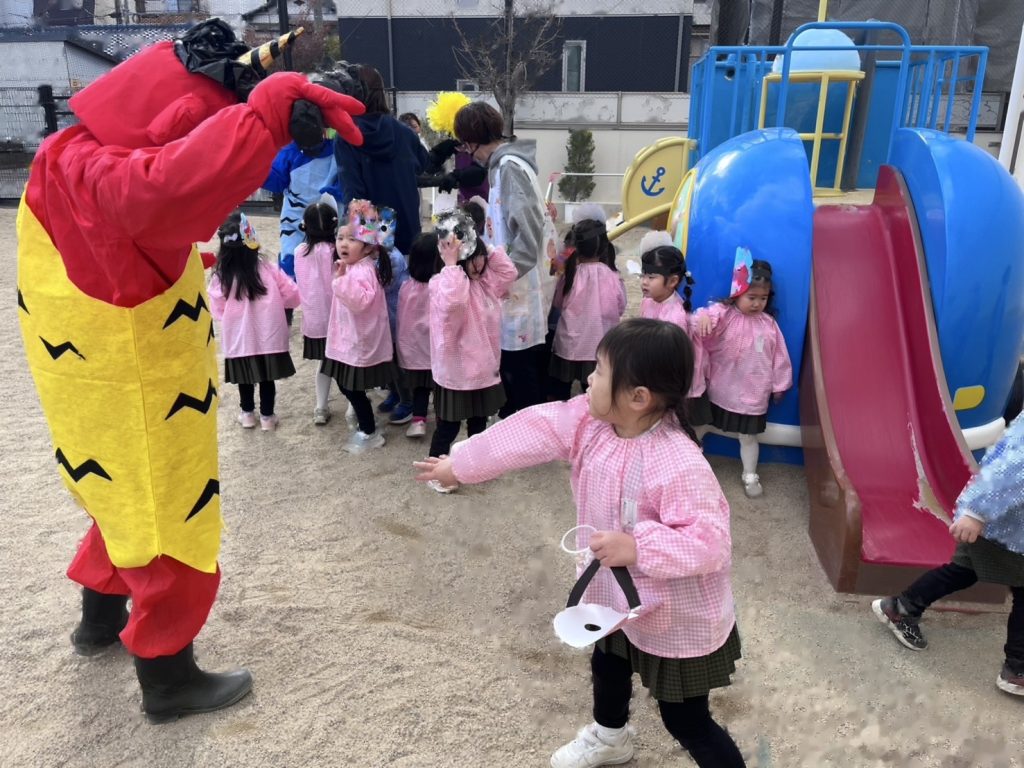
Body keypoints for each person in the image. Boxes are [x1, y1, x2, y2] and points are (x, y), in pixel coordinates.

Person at [15, 17, 364, 722]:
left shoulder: (64, 153)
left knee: (117, 491)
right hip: (135, 374)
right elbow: (164, 186)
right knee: (168, 510)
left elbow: (162, 186)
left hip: (90, 375)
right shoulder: (99, 174)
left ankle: (99, 620)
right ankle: (168, 674)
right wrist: (261, 120)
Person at [414, 318, 745, 767]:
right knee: (607, 665)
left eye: (600, 371)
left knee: (685, 719)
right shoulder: (589, 423)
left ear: (638, 397)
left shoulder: (678, 463)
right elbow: (531, 430)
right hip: (613, 593)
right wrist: (461, 465)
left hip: (673, 611)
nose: (589, 379)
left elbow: (710, 542)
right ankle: (610, 739)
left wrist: (639, 547)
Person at [872, 412, 1024, 697]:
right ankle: (1017, 669)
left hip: (1005, 528)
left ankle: (902, 607)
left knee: (963, 571)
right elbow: (1011, 472)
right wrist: (977, 513)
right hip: (1003, 526)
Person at [453, 101, 555, 418]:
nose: (468, 153)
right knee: (515, 358)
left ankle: (527, 424)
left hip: (518, 281)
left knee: (520, 361)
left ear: (473, 141)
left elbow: (527, 231)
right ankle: (515, 415)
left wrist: (500, 277)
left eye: (466, 145)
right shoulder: (505, 165)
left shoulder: (509, 167)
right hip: (515, 278)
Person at [425, 212, 517, 492]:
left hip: (483, 370)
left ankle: (473, 466)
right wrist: (452, 264)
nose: (478, 264)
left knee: (478, 425)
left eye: (480, 258)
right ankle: (435, 472)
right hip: (456, 373)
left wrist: (483, 245)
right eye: (471, 258)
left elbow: (509, 272)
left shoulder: (485, 284)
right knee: (449, 427)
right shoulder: (444, 283)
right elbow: (453, 305)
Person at [695, 251, 792, 498]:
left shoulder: (768, 325)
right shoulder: (724, 314)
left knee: (748, 437)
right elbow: (705, 319)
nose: (757, 303)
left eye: (763, 298)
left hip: (751, 394)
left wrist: (780, 384)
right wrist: (703, 316)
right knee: (701, 424)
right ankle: (691, 459)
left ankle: (750, 474)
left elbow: (780, 356)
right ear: (737, 293)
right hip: (720, 388)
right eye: (751, 297)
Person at [208, 212, 299, 431]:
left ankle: (247, 414)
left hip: (240, 336)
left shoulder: (222, 275)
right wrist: (283, 307)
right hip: (269, 333)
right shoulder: (267, 268)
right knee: (267, 378)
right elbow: (292, 293)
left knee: (245, 379)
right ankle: (267, 417)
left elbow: (217, 306)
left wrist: (228, 316)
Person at [321, 199, 397, 454]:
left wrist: (341, 282)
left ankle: (369, 430)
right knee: (346, 384)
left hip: (358, 341)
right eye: (340, 238)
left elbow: (360, 302)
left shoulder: (363, 270)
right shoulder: (351, 266)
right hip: (347, 338)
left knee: (352, 387)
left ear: (367, 247)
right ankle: (367, 423)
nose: (343, 244)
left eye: (352, 239)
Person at [332, 63, 428, 255]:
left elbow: (353, 191)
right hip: (408, 229)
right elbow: (424, 163)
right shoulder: (404, 133)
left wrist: (364, 241)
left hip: (371, 240)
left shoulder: (347, 137)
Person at [548, 219, 626, 401]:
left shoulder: (571, 274)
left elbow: (558, 302)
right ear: (604, 247)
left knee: (561, 392)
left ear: (576, 247)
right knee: (593, 394)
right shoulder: (612, 276)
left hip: (570, 345)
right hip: (600, 345)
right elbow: (621, 306)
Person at [638, 233, 710, 428]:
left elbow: (671, 360)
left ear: (672, 281)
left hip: (670, 382)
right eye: (643, 275)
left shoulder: (675, 317)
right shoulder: (649, 301)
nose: (644, 281)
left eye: (651, 277)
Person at [261, 133, 339, 281]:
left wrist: (257, 169)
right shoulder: (337, 148)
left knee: (293, 259)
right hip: (327, 216)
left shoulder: (290, 151)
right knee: (330, 260)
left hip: (296, 218)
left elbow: (276, 182)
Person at [294, 196, 339, 424]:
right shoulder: (337, 251)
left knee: (323, 363)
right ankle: (353, 409)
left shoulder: (299, 251)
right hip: (339, 319)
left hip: (315, 319)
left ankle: (321, 407)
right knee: (348, 364)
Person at [397, 232, 442, 438]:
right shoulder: (440, 287)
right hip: (437, 350)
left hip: (414, 350)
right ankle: (442, 418)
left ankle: (419, 420)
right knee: (440, 387)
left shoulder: (407, 286)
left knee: (420, 388)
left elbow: (402, 319)